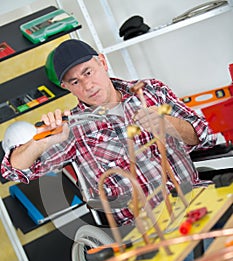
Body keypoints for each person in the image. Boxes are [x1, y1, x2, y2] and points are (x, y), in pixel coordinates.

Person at [1, 39, 216, 227]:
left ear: (102, 62)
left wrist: (166, 123)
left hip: (198, 198)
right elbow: (14, 170)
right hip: (151, 226)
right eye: (75, 81)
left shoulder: (151, 90)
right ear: (66, 86)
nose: (87, 85)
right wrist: (41, 142)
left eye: (88, 72)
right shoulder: (72, 128)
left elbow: (204, 135)